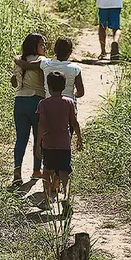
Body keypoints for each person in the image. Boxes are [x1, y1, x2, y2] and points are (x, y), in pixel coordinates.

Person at [36, 71, 83, 204]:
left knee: (46, 171)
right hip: (64, 143)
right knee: (64, 171)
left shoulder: (43, 104)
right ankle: (66, 196)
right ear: (64, 87)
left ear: (48, 87)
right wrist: (79, 138)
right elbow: (74, 122)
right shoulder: (69, 102)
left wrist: (37, 145)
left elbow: (41, 125)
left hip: (48, 143)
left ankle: (46, 200)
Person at [10, 33, 47, 186]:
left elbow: (14, 83)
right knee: (39, 138)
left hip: (20, 101)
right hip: (37, 101)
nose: (45, 47)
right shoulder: (42, 61)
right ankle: (36, 170)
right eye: (42, 45)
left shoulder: (19, 60)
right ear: (35, 46)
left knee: (21, 138)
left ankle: (17, 172)